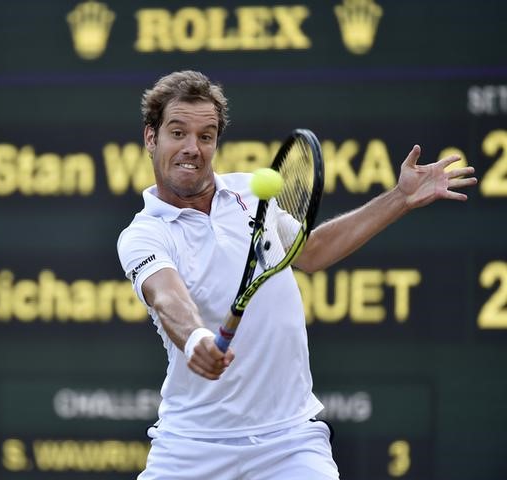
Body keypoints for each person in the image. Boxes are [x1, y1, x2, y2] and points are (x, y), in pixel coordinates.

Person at [116, 70, 477, 479]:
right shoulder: (143, 234)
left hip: (289, 442)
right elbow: (167, 297)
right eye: (177, 133)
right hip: (190, 446)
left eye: (206, 135)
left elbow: (310, 252)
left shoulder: (253, 193)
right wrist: (197, 338)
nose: (192, 148)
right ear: (151, 138)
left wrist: (399, 199)